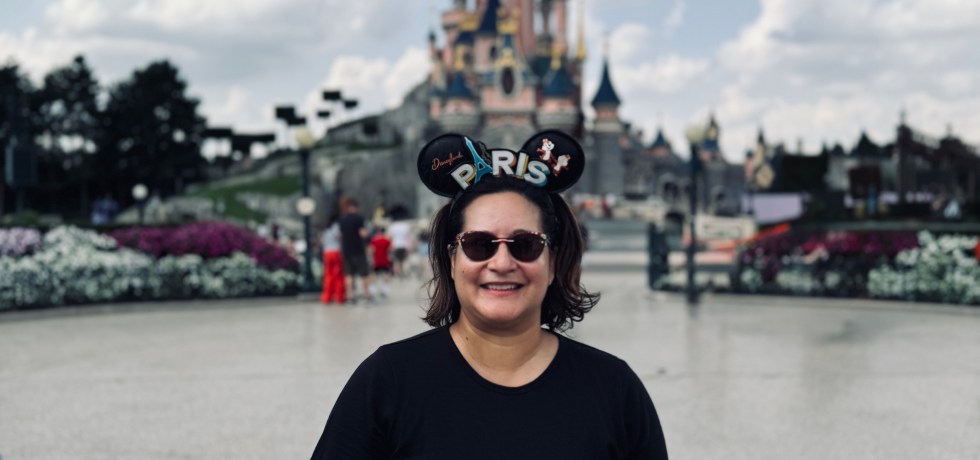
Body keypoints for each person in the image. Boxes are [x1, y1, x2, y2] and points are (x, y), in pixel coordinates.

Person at [311, 131, 668, 459]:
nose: (501, 262)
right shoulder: (386, 382)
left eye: (525, 245)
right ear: (451, 260)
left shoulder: (614, 389)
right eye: (478, 244)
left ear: (553, 262)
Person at [338, 198, 375, 303]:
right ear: (356, 207)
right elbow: (363, 233)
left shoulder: (342, 220)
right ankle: (366, 296)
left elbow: (340, 236)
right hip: (358, 250)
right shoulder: (359, 219)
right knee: (364, 274)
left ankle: (350, 297)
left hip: (346, 250)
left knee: (348, 275)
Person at [319, 215, 346, 304]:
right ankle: (339, 297)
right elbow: (340, 237)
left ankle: (327, 297)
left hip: (327, 252)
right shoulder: (336, 227)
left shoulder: (326, 229)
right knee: (338, 274)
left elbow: (322, 241)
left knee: (328, 275)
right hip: (336, 252)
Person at [368, 226, 393, 298]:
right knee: (385, 275)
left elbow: (371, 250)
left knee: (373, 275)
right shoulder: (387, 240)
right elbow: (390, 250)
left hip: (376, 261)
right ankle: (385, 290)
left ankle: (373, 290)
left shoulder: (374, 240)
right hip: (385, 260)